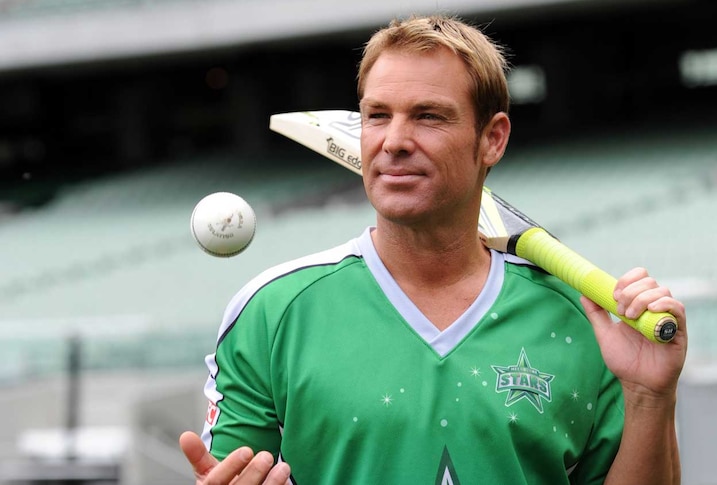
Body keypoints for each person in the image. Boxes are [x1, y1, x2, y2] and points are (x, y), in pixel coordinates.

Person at [179, 14, 687, 485]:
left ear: (492, 138)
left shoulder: (580, 321)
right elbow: (232, 472)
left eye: (429, 117)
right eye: (377, 116)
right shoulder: (272, 312)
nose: (394, 141)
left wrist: (650, 397)